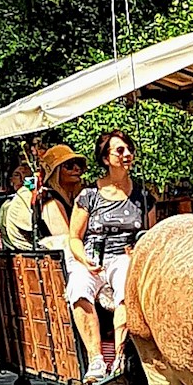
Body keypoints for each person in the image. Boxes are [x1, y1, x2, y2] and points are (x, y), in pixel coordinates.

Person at [72, 128, 152, 365]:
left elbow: (150, 233)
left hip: (125, 256)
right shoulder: (89, 195)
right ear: (106, 159)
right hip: (92, 256)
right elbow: (74, 237)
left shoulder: (143, 195)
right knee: (78, 288)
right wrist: (84, 260)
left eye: (129, 149)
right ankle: (95, 358)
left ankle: (120, 357)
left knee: (127, 289)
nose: (127, 154)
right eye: (120, 150)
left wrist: (138, 250)